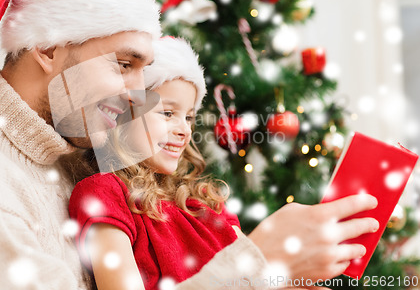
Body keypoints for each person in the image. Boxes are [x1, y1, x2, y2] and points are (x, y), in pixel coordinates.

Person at [0, 0, 378, 289]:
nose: (142, 96)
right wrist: (256, 266)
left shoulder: (74, 153)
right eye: (124, 64)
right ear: (46, 48)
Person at [68, 38, 380, 290]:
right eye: (167, 113)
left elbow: (258, 275)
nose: (184, 129)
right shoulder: (103, 194)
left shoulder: (203, 203)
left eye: (189, 116)